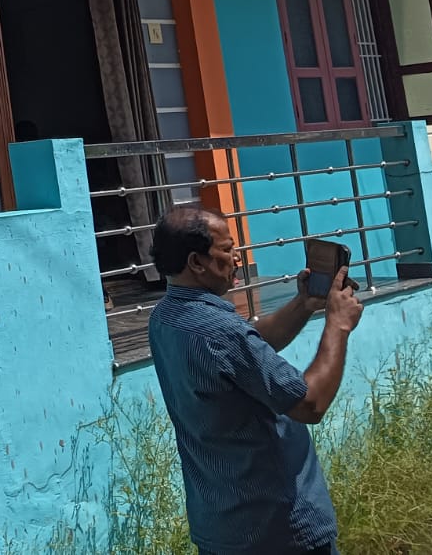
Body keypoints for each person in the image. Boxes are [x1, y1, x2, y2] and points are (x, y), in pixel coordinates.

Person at [147, 205, 364, 555]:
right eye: (227, 249)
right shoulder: (219, 331)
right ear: (197, 262)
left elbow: (249, 348)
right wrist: (338, 326)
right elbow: (310, 404)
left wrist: (304, 303)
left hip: (221, 525)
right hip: (278, 528)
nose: (238, 258)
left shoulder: (165, 318)